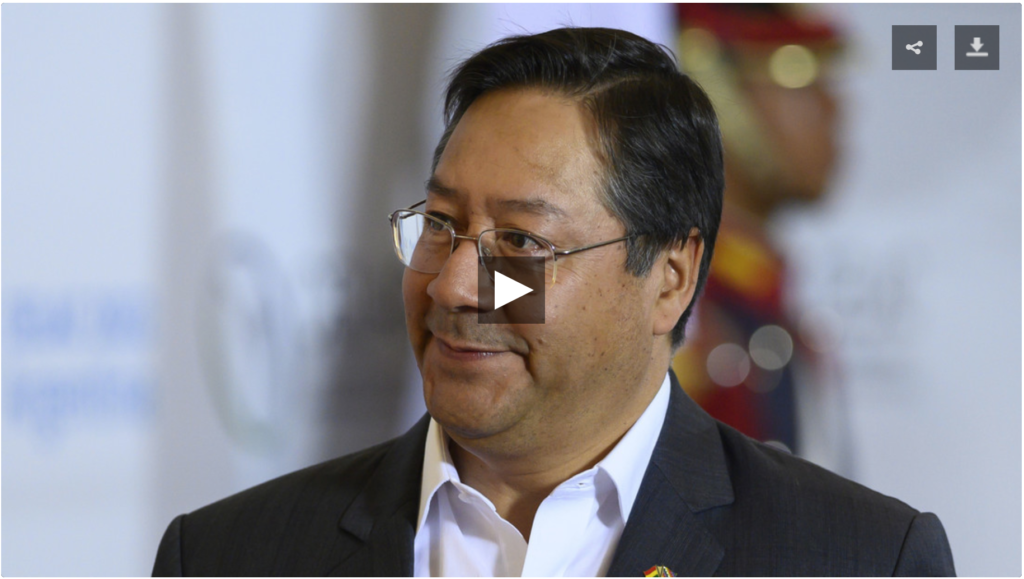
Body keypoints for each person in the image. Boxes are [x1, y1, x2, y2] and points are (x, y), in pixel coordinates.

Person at [152, 27, 955, 576]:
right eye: (440, 224)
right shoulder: (229, 555)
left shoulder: (859, 558)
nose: (454, 284)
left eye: (521, 244)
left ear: (670, 278)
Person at [669, 3, 852, 469]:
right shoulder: (678, 315)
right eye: (801, 77)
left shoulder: (761, 298)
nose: (834, 107)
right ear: (716, 89)